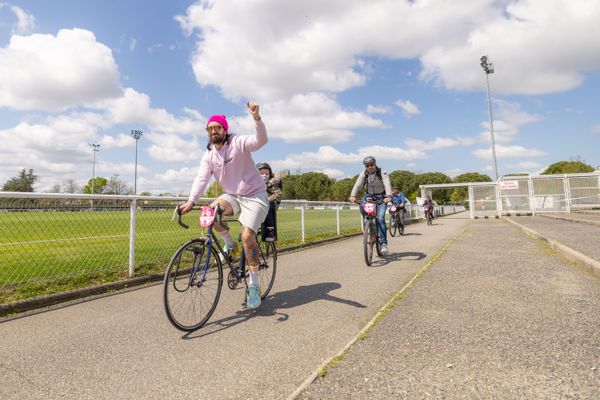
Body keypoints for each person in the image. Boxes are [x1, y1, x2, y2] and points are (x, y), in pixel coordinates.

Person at [179, 102, 267, 309]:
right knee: (209, 213)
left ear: (225, 129)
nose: (213, 131)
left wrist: (256, 118)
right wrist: (192, 201)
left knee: (247, 236)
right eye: (209, 129)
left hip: (255, 195)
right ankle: (230, 244)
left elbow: (260, 141)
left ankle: (253, 285)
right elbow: (201, 179)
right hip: (233, 195)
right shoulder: (209, 155)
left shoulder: (238, 142)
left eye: (217, 127)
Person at [349, 156, 392, 255]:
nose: (370, 167)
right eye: (367, 166)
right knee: (361, 204)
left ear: (375, 164)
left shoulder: (382, 172)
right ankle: (367, 220)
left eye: (371, 165)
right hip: (369, 196)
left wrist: (388, 196)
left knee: (380, 218)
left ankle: (383, 244)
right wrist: (352, 196)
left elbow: (387, 183)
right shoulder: (364, 174)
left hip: (381, 197)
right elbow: (358, 185)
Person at [256, 162, 282, 242]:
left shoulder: (272, 182)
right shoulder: (254, 183)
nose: (264, 175)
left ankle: (270, 231)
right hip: (258, 203)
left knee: (268, 207)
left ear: (270, 174)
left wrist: (267, 200)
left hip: (271, 203)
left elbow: (278, 194)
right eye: (261, 173)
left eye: (266, 173)